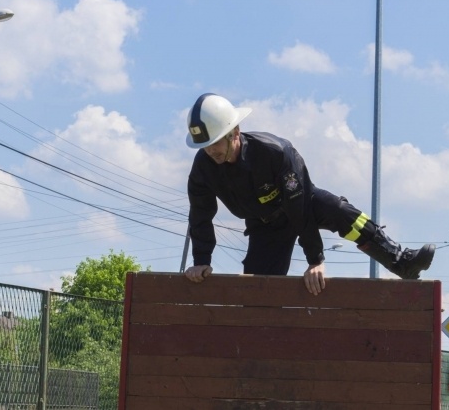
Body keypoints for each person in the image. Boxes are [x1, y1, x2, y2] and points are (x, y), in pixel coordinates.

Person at [183, 93, 435, 295]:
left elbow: (299, 208)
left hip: (303, 203)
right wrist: (201, 260)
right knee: (257, 292)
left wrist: (315, 260)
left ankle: (401, 261)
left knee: (339, 210)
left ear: (235, 132)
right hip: (265, 226)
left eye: (215, 142)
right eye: (204, 146)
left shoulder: (276, 152)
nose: (210, 151)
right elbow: (200, 215)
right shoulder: (203, 168)